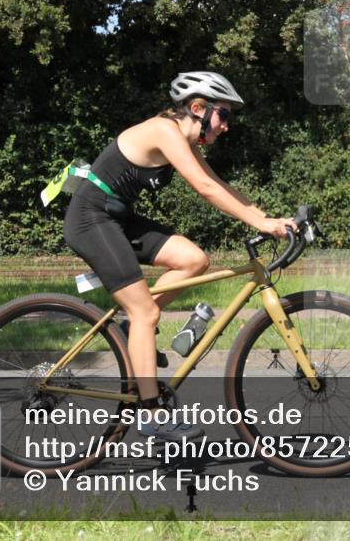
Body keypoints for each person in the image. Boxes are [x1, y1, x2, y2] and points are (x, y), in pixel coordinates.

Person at [63, 71, 297, 440]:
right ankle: (150, 415)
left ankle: (129, 333)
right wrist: (260, 223)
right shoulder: (164, 131)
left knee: (193, 260)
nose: (226, 126)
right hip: (91, 219)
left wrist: (268, 218)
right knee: (147, 311)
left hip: (116, 217)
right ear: (198, 108)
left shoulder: (186, 142)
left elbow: (219, 184)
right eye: (224, 115)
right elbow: (204, 189)